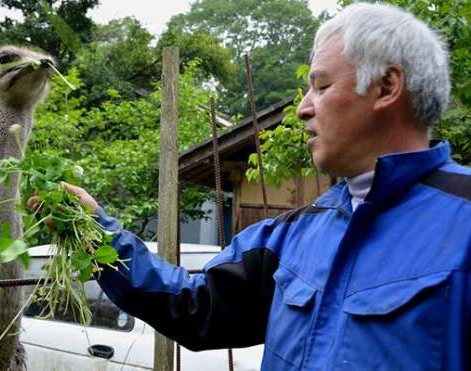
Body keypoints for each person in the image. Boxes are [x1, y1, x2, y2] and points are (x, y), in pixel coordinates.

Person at [60, 3, 470, 370]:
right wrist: (95, 233)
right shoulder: (294, 236)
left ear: (385, 87)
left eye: (322, 86)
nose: (303, 107)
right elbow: (192, 304)